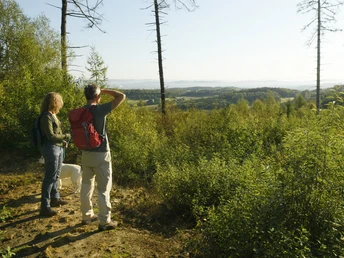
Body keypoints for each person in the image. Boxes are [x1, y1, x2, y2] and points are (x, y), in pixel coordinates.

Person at [80, 84, 126, 231]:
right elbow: (121, 96)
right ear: (97, 96)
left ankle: (86, 216)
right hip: (101, 155)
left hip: (85, 154)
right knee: (103, 188)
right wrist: (104, 91)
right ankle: (104, 221)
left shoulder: (80, 111)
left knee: (86, 185)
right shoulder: (99, 110)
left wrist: (97, 93)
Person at [39, 92, 71, 217]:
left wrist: (62, 141)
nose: (61, 104)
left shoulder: (52, 115)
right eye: (59, 101)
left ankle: (55, 198)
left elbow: (54, 134)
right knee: (50, 177)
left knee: (56, 175)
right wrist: (66, 136)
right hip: (51, 149)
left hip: (58, 148)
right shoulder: (46, 117)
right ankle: (45, 207)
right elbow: (50, 135)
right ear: (54, 102)